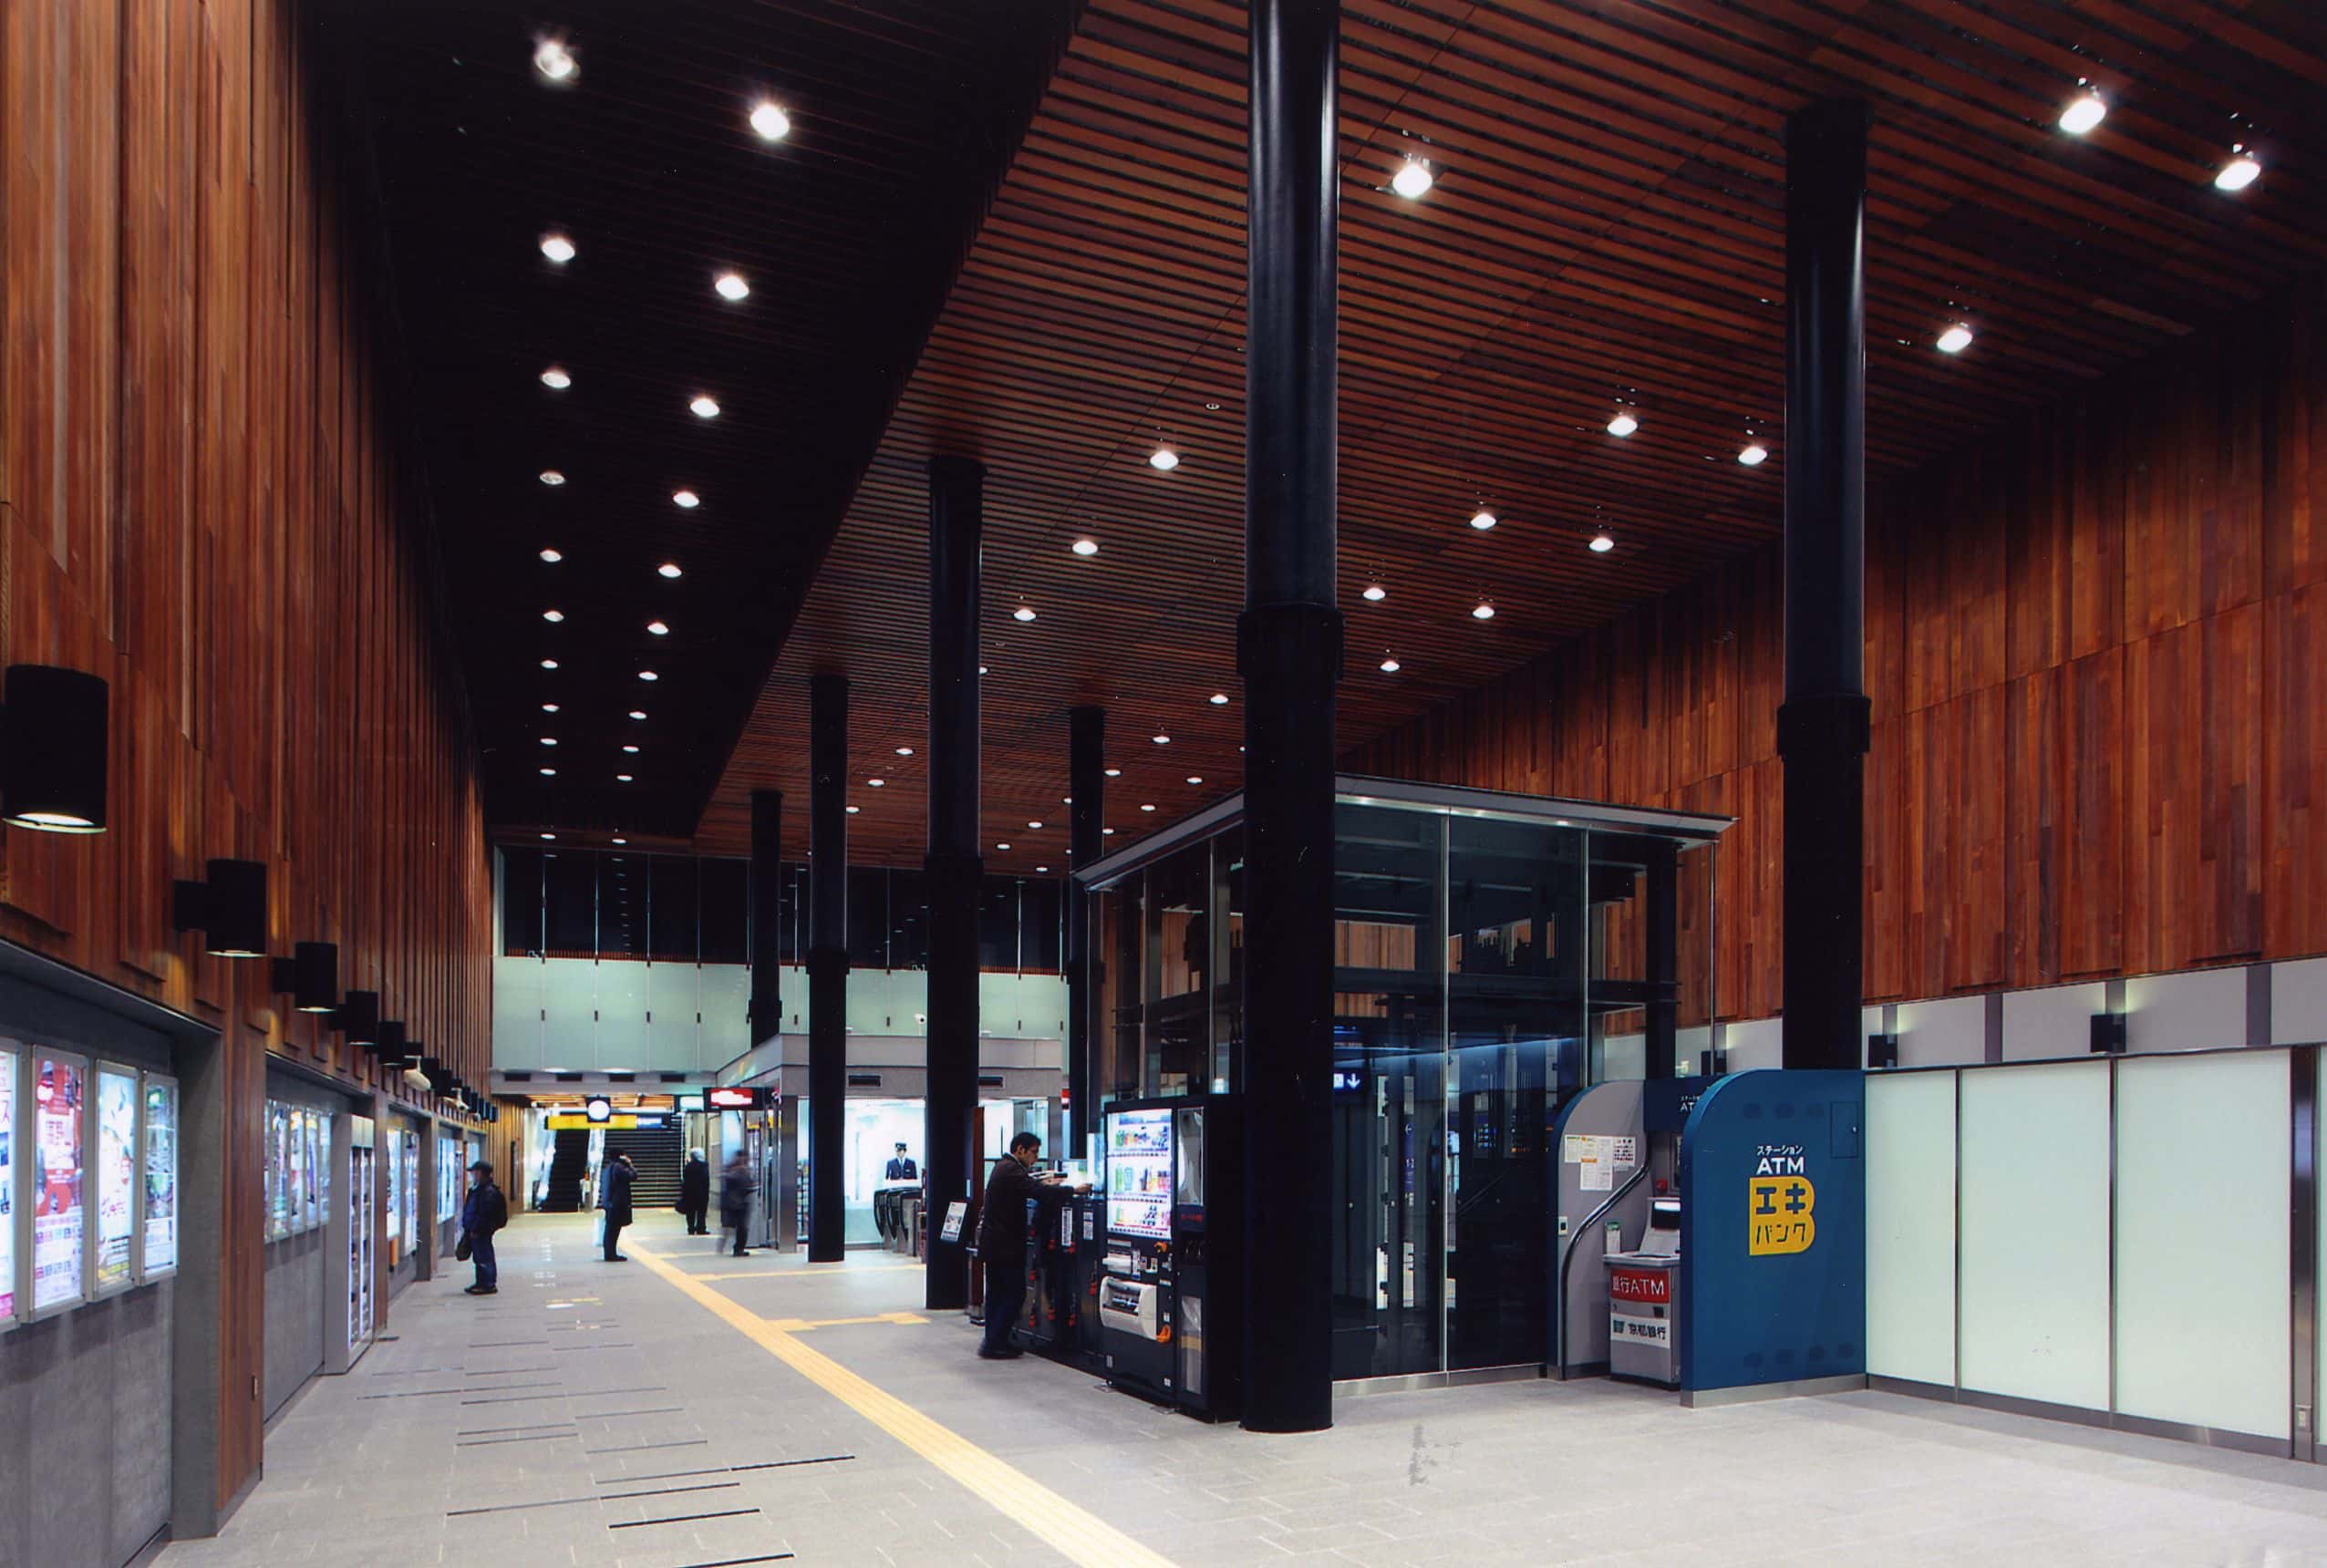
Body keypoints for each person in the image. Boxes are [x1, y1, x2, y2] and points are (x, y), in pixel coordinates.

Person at [975, 1132, 1085, 1359]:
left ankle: (994, 1341)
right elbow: (1037, 1191)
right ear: (1020, 1150)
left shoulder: (1004, 1167)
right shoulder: (1011, 1169)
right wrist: (1072, 1190)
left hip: (995, 1244)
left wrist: (1043, 1184)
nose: (1035, 1158)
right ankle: (995, 1343)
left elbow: (1031, 1186)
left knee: (997, 1293)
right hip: (1004, 1246)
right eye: (1033, 1152)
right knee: (1014, 1293)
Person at [460, 1160, 508, 1295]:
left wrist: (476, 1229)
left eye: (474, 1172)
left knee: (483, 1256)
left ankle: (487, 1284)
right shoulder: (479, 1190)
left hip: (480, 1231)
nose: (472, 1175)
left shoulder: (487, 1192)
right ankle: (481, 1282)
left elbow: (484, 1214)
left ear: (480, 1173)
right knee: (479, 1257)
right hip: (476, 1230)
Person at [720, 1147, 758, 1257]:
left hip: (740, 1202)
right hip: (736, 1202)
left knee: (741, 1227)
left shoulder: (741, 1169)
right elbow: (732, 1180)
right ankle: (737, 1248)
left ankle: (738, 1248)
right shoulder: (736, 1169)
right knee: (739, 1227)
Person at [599, 1150, 635, 1261]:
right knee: (613, 1230)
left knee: (609, 1230)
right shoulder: (619, 1167)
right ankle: (611, 1255)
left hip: (608, 1202)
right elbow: (633, 1176)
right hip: (616, 1203)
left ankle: (609, 1253)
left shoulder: (607, 1168)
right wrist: (630, 1164)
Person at [678, 1148, 710, 1235]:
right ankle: (701, 1228)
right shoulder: (704, 1165)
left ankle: (691, 1228)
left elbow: (684, 1180)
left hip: (689, 1192)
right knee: (701, 1212)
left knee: (690, 1212)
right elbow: (705, 1179)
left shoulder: (688, 1166)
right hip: (701, 1193)